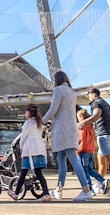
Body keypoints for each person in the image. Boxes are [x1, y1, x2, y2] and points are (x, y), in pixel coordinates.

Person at [42, 71, 93, 202]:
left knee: (74, 160)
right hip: (70, 129)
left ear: (57, 79)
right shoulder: (71, 91)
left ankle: (86, 190)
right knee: (61, 158)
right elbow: (64, 110)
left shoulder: (58, 90)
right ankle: (59, 189)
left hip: (62, 131)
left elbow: (54, 109)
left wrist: (42, 120)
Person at [78, 87, 110, 196]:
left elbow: (96, 115)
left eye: (89, 95)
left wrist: (82, 123)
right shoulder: (106, 104)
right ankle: (98, 184)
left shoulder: (95, 103)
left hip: (103, 134)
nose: (88, 98)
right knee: (101, 160)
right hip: (109, 135)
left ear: (93, 94)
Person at [8, 103, 52, 202]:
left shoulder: (28, 123)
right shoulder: (39, 122)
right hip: (39, 148)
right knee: (38, 173)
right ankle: (46, 194)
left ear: (28, 112)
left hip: (30, 150)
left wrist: (21, 147)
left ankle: (16, 193)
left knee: (23, 172)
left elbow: (23, 137)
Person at [76, 109, 107, 195]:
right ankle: (102, 180)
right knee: (89, 169)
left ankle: (89, 188)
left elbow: (81, 139)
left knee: (83, 170)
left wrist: (78, 150)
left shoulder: (82, 127)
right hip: (90, 151)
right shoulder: (90, 126)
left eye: (78, 117)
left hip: (83, 151)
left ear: (81, 117)